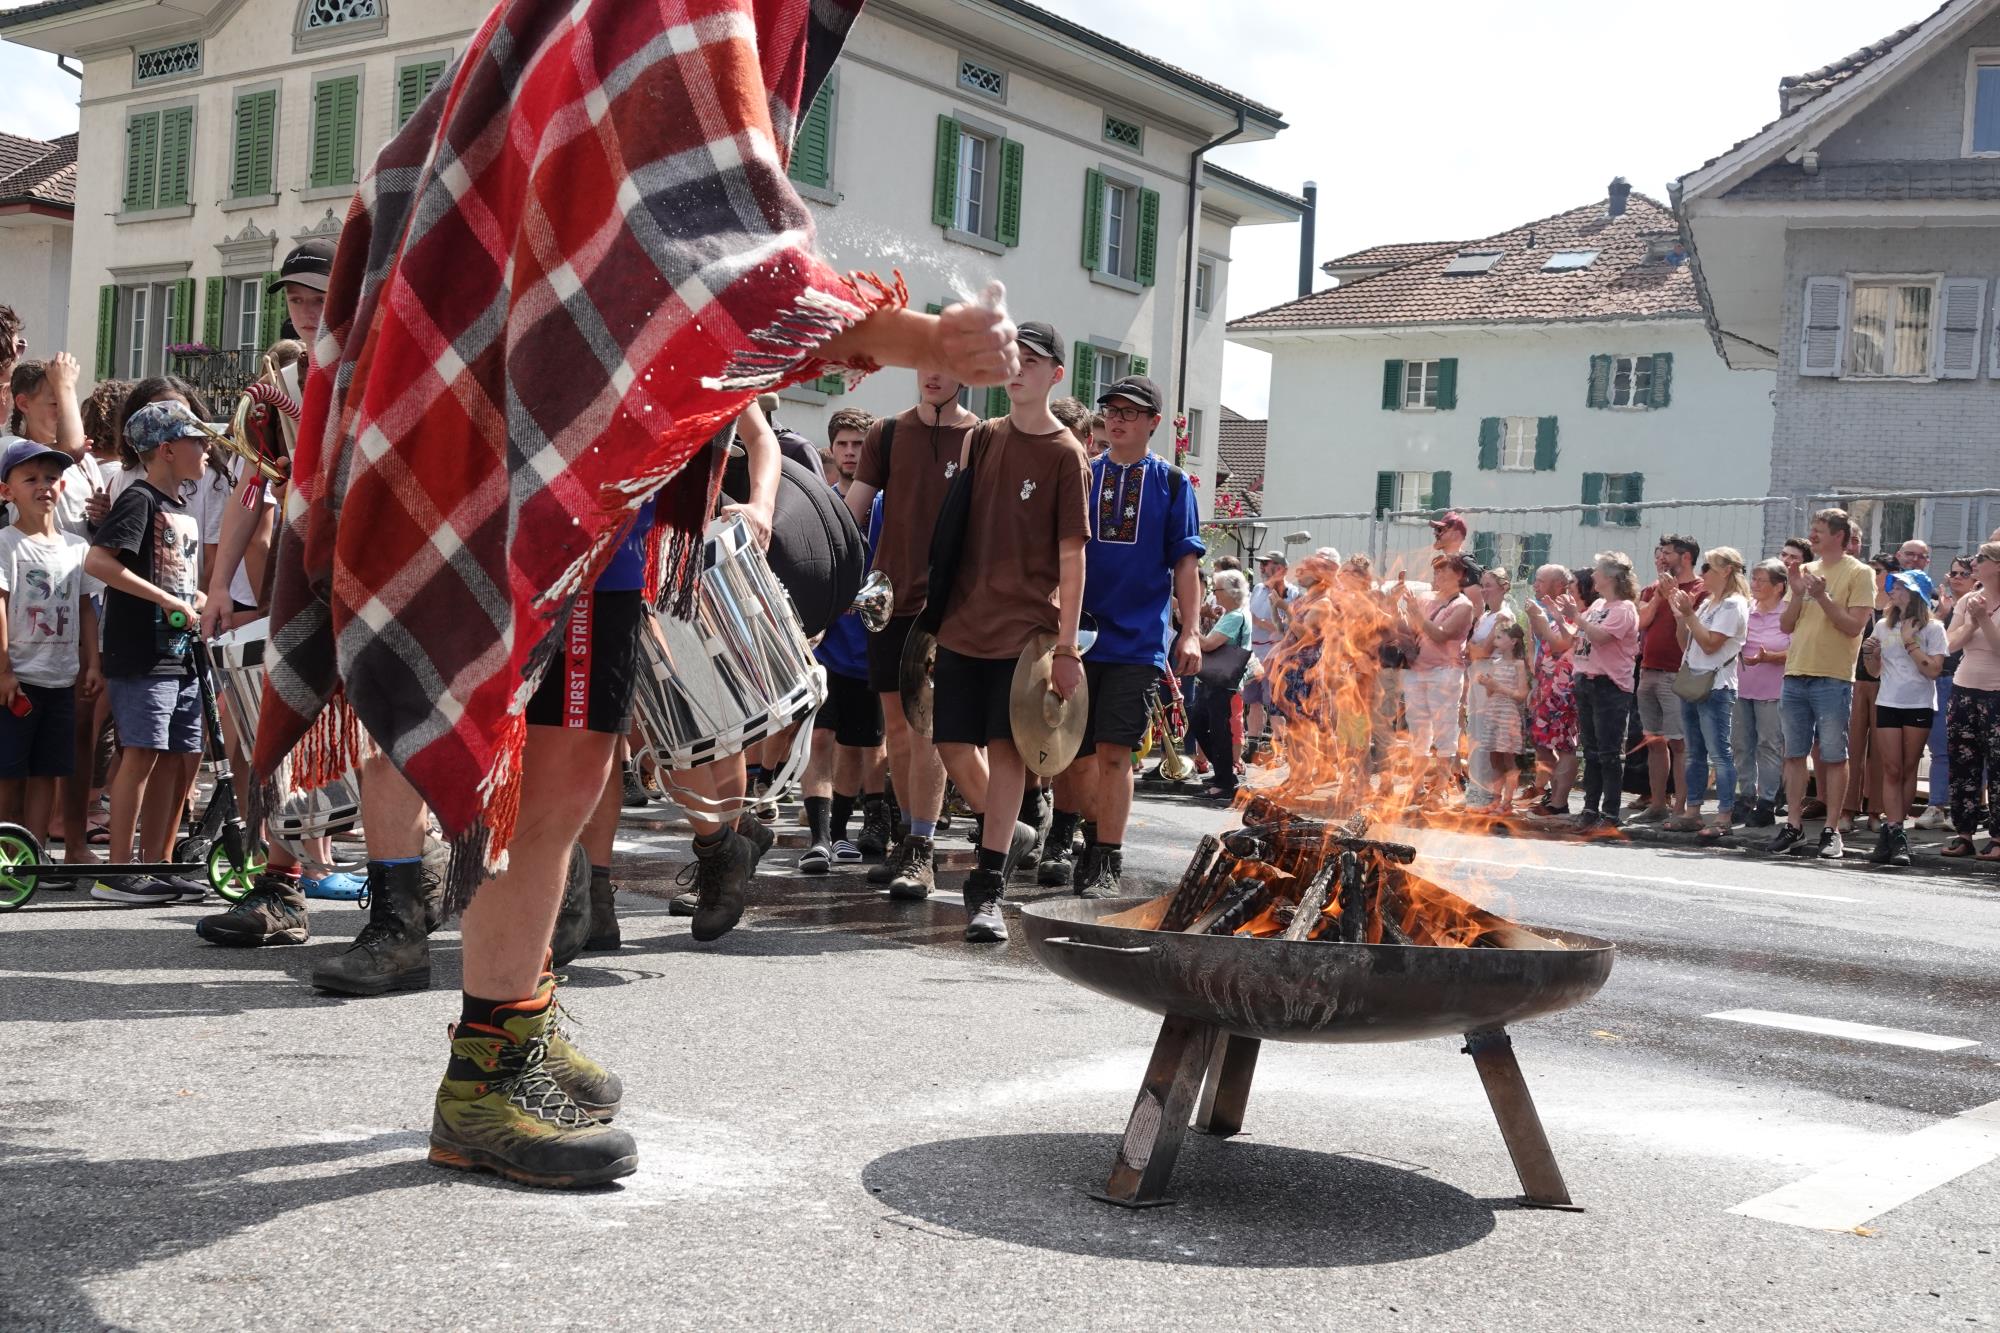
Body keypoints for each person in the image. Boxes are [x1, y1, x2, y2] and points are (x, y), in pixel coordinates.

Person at [252, 0, 1021, 1190]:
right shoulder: (673, 14)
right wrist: (924, 339)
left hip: (556, 493)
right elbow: (719, 273)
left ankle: (519, 1004)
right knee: (550, 793)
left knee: (572, 782)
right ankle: (487, 1063)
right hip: (552, 508)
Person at [194, 242, 433, 974]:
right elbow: (248, 490)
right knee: (287, 725)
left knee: (389, 736)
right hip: (307, 577)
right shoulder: (277, 390)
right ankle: (281, 889)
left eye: (314, 296)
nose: (302, 310)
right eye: (293, 298)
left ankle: (407, 895)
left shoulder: (388, 369)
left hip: (385, 572)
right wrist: (217, 584)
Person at [930, 321, 1086, 942]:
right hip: (963, 622)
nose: (1017, 367)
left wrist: (1069, 648)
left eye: (1033, 360)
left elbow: (1074, 559)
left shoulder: (1066, 452)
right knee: (948, 746)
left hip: (1025, 636)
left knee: (1008, 755)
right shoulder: (984, 438)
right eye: (1011, 357)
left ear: (1055, 375)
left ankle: (987, 886)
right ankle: (1011, 835)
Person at [1051, 373, 1200, 899]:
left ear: (1153, 422)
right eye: (1111, 410)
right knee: (1072, 752)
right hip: (1077, 637)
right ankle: (1071, 833)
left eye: (1131, 412)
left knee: (1115, 753)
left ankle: (1106, 855)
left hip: (1138, 642)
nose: (1117, 419)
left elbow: (1185, 564)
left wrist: (1191, 632)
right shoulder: (1081, 475)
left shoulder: (1174, 483)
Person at [844, 369, 979, 900]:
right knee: (896, 730)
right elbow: (853, 509)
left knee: (927, 730)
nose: (934, 374)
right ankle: (906, 835)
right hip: (888, 599)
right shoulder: (888, 432)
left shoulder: (982, 436)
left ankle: (922, 848)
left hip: (949, 606)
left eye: (948, 363)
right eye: (926, 361)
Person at [80, 402, 206, 904]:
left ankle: (159, 862)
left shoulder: (180, 507)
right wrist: (166, 599)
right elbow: (98, 560)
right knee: (142, 754)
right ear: (166, 450)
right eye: (195, 441)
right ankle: (117, 872)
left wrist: (191, 597)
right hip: (143, 654)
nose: (205, 449)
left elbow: (174, 576)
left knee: (177, 759)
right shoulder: (140, 500)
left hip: (180, 655)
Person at [0, 439, 103, 858]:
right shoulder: (6, 542)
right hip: (19, 680)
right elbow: (1, 607)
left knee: (47, 771)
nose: (44, 486)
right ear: (7, 491)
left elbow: (87, 608)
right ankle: (7, 851)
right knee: (9, 773)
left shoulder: (77, 548)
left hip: (62, 677)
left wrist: (92, 662)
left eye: (52, 478)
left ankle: (35, 852)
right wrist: (4, 669)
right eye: (31, 479)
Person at [801, 406, 881, 873]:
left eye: (859, 444)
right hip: (825, 643)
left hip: (871, 644)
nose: (851, 453)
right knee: (820, 736)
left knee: (858, 745)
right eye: (843, 444)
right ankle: (819, 837)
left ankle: (844, 831)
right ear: (832, 449)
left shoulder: (889, 503)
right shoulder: (819, 503)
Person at [1770, 509, 1875, 859]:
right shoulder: (1807, 571)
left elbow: (1853, 627)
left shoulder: (1860, 573)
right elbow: (1785, 626)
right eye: (1812, 529)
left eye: (1819, 530)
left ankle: (1832, 830)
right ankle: (1794, 825)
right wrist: (1799, 593)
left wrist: (1824, 597)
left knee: (1833, 754)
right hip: (1796, 672)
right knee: (1794, 753)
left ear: (1839, 536)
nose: (1812, 535)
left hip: (1833, 676)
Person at [1865, 569, 1946, 866]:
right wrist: (1870, 654)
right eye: (1894, 586)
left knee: (1909, 767)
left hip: (1919, 703)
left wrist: (1910, 641)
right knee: (1891, 768)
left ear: (1914, 594)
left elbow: (1933, 670)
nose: (1893, 591)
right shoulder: (1884, 626)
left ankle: (1896, 830)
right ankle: (1893, 829)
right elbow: (1874, 672)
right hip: (1888, 700)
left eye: (1900, 587)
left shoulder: (1933, 629)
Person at [1669, 547, 1749, 840]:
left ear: (1726, 570)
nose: (1702, 573)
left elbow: (1711, 644)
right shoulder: (1708, 604)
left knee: (1719, 753)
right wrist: (1681, 615)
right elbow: (1686, 643)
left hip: (1716, 687)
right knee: (1694, 753)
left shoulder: (1732, 605)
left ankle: (1724, 815)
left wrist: (1689, 615)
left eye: (1707, 567)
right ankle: (1693, 811)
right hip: (1695, 682)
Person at [1632, 535, 1702, 825]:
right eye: (1660, 552)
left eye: (1668, 553)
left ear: (1685, 557)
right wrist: (1660, 594)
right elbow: (1641, 621)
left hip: (1678, 674)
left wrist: (1674, 597)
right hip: (1649, 670)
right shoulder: (1651, 589)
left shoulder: (1700, 589)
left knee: (1679, 743)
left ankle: (1681, 810)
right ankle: (1657, 803)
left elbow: (1693, 626)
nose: (1661, 558)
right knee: (1654, 740)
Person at [1571, 552, 1640, 830]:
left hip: (1609, 686)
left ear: (1611, 577)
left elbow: (1598, 637)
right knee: (1591, 750)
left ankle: (1611, 813)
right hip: (1587, 680)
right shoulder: (1599, 604)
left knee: (1609, 752)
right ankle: (1590, 808)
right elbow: (1578, 634)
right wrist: (1554, 615)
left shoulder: (1624, 609)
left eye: (1598, 571)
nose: (1593, 575)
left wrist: (1576, 618)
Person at [1942, 543, 2000, 861]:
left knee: (1998, 768)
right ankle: (1963, 833)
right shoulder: (1968, 600)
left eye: (1982, 559)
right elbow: (1949, 644)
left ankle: (1997, 837)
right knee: (1963, 767)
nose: (1974, 563)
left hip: (1996, 695)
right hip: (1964, 691)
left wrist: (1985, 621)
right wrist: (1972, 622)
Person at [1917, 556, 1977, 830]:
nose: (1957, 577)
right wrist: (1940, 614)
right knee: (1940, 748)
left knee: (1972, 750)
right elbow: (1921, 639)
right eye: (1953, 572)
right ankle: (1936, 805)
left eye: (1964, 573)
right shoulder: (1937, 607)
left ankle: (1965, 810)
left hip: (1970, 682)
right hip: (1940, 679)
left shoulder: (1982, 605)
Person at [1735, 559, 1791, 827]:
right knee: (1741, 745)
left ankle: (1767, 802)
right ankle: (1745, 797)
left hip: (1773, 690)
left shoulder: (1789, 614)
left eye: (1761, 580)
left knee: (1768, 745)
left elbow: (1797, 652)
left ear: (1779, 587)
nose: (1754, 585)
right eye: (1753, 579)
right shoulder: (1746, 610)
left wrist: (1771, 657)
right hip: (1741, 687)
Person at [1523, 564, 1579, 816]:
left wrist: (1541, 618)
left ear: (1559, 585)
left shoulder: (1571, 613)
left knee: (1565, 745)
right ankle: (1549, 793)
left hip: (1564, 690)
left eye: (1541, 580)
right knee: (1542, 742)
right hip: (1545, 684)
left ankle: (1559, 801)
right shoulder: (1546, 611)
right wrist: (1535, 682)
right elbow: (1538, 646)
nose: (1535, 585)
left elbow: (1559, 644)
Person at [1196, 567, 1252, 801]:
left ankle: (1225, 780)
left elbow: (1208, 645)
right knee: (1200, 722)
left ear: (1230, 592)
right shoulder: (1234, 614)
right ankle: (1223, 773)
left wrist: (1191, 628)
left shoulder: (1235, 616)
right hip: (1219, 681)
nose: (1214, 594)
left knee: (1217, 730)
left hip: (1221, 683)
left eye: (1216, 589)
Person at [1464, 566, 1516, 806]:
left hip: (1491, 675)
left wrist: (1474, 651)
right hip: (1477, 673)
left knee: (1486, 732)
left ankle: (1486, 791)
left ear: (1503, 588)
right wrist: (1474, 652)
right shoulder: (1485, 616)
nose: (1484, 590)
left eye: (1489, 586)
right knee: (1474, 730)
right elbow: (1471, 651)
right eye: (1482, 585)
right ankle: (1475, 787)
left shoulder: (1504, 616)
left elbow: (1484, 650)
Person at [1470, 621, 1529, 813]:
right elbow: (1490, 694)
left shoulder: (1518, 665)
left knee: (1508, 759)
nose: (1495, 640)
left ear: (1513, 641)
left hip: (1508, 715)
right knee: (1494, 758)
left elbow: (1521, 695)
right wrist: (1487, 684)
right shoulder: (1495, 664)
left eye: (1499, 637)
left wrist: (1496, 686)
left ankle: (1507, 802)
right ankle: (1496, 799)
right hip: (1493, 713)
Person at [1243, 550, 1295, 757]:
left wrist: (1258, 622)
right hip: (1253, 655)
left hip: (1275, 656)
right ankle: (1253, 745)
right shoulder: (1257, 588)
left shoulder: (1292, 593)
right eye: (1261, 563)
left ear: (1281, 568)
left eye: (1267, 563)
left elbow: (1290, 628)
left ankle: (1279, 748)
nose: (1262, 567)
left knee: (1274, 704)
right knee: (1253, 701)